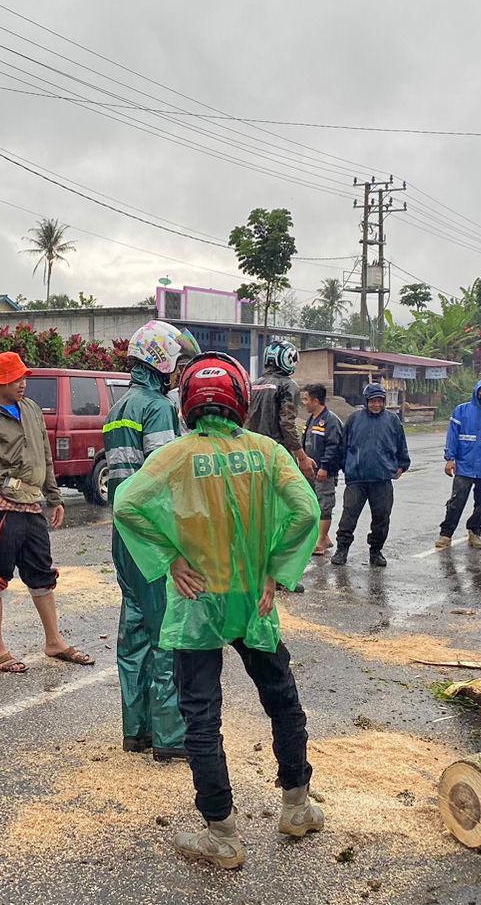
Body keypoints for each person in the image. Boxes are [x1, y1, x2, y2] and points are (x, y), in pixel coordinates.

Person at [112, 351, 324, 870]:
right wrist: (276, 567)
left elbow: (125, 504)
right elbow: (307, 510)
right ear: (240, 400)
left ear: (187, 402)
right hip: (255, 600)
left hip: (197, 602)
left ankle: (223, 833)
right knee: (281, 697)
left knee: (201, 717)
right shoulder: (269, 453)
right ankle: (296, 805)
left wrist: (169, 558)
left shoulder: (176, 457)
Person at [0, 351, 93, 674]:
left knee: (42, 573)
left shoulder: (32, 410)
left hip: (34, 505)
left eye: (23, 378)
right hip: (2, 508)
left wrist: (55, 497)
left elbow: (45, 457)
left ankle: (54, 640)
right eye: (15, 379)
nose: (22, 384)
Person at [105, 321, 198, 760]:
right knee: (166, 632)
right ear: (160, 361)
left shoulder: (118, 406)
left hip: (124, 534)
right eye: (176, 363)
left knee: (135, 631)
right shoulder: (159, 408)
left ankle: (136, 730)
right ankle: (170, 737)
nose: (178, 372)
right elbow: (168, 478)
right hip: (155, 537)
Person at [334, 383, 411, 567]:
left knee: (381, 517)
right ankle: (342, 549)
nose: (376, 404)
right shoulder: (353, 419)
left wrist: (402, 465)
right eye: (373, 401)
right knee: (348, 516)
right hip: (357, 479)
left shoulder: (393, 420)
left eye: (380, 401)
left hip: (382, 479)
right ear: (366, 401)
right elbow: (343, 446)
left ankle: (376, 551)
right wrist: (345, 467)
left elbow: (401, 446)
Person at [436, 377, 481, 550]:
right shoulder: (461, 411)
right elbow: (453, 436)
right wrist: (450, 459)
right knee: (456, 502)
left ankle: (474, 532)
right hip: (464, 465)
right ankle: (446, 534)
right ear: (476, 392)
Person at [245, 338, 315, 479]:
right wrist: (301, 457)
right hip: (277, 453)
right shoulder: (288, 385)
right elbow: (287, 423)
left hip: (252, 452)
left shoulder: (254, 384)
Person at [301, 384, 344, 557]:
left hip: (323, 472)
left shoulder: (330, 420)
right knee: (314, 504)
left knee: (325, 504)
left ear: (315, 400)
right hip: (311, 471)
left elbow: (334, 446)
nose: (304, 403)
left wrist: (325, 467)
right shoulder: (311, 419)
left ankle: (321, 541)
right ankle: (323, 537)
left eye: (306, 399)